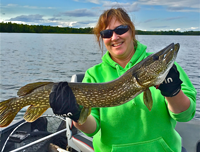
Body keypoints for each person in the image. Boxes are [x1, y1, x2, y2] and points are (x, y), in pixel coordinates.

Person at [49, 8, 196, 152]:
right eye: (107, 33)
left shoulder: (170, 70)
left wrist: (174, 92)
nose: (114, 37)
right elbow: (91, 130)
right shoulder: (93, 75)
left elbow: (185, 115)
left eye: (121, 29)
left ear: (131, 31)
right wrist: (75, 115)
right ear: (102, 38)